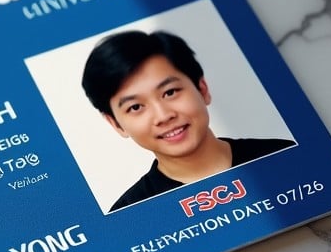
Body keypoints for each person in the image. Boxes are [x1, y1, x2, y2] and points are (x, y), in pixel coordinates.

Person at [81, 30, 294, 212]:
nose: (163, 116)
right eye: (135, 107)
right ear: (115, 124)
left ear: (202, 89)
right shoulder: (129, 216)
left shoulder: (284, 155)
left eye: (170, 92)